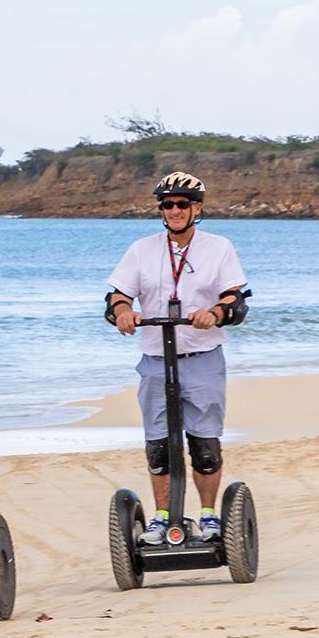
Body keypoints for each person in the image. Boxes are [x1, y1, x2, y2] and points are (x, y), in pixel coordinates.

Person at [103, 171, 250, 545]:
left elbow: (235, 299)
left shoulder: (219, 248)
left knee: (204, 445)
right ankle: (163, 517)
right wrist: (123, 312)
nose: (174, 211)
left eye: (182, 204)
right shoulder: (142, 250)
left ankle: (208, 516)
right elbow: (117, 294)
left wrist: (214, 314)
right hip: (155, 358)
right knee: (159, 446)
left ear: (196, 208)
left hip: (202, 357)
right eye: (167, 205)